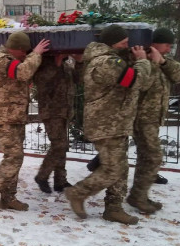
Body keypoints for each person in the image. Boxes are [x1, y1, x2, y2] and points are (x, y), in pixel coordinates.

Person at [64, 25, 153, 225]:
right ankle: (78, 193)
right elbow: (135, 80)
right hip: (107, 124)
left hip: (115, 121)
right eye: (123, 41)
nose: (127, 44)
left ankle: (114, 208)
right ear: (112, 42)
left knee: (120, 167)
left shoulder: (112, 59)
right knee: (113, 169)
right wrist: (142, 61)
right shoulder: (106, 62)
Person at [0, 32, 50, 211]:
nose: (25, 56)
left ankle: (8, 197)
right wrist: (36, 53)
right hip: (4, 117)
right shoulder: (2, 60)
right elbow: (23, 72)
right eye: (24, 52)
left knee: (15, 158)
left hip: (14, 117)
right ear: (18, 49)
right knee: (14, 156)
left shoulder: (11, 58)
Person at [127, 28, 180, 213]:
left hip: (152, 119)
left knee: (146, 158)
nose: (169, 49)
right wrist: (147, 61)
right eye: (167, 45)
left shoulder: (162, 60)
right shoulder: (139, 58)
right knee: (153, 157)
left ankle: (139, 196)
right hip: (141, 118)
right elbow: (140, 83)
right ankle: (137, 196)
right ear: (155, 43)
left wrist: (162, 61)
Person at [33, 53, 84, 193]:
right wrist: (56, 62)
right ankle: (42, 176)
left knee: (61, 147)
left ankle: (60, 180)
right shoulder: (43, 66)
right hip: (51, 112)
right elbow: (44, 83)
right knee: (59, 145)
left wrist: (79, 62)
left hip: (64, 112)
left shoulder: (66, 66)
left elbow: (79, 80)